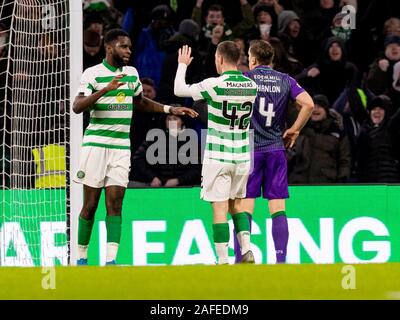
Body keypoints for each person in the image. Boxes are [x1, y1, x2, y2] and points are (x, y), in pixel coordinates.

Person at [72, 29, 197, 266]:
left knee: (116, 203)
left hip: (120, 147)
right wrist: (105, 89)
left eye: (129, 47)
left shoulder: (131, 74)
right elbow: (77, 106)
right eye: (123, 46)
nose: (129, 51)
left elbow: (140, 102)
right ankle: (81, 258)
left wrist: (170, 109)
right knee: (90, 205)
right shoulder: (93, 74)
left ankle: (110, 262)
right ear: (109, 48)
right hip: (95, 146)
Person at [174, 42, 258, 264]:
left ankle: (222, 261)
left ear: (220, 59)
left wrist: (182, 65)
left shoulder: (214, 85)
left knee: (219, 207)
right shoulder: (251, 86)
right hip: (242, 156)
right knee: (238, 205)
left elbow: (178, 90)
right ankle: (247, 250)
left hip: (218, 156)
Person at [232, 40, 314, 264]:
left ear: (253, 59)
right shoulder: (285, 80)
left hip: (250, 150)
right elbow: (309, 104)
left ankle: (241, 258)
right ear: (272, 60)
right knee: (277, 207)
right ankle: (281, 260)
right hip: (276, 148)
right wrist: (294, 130)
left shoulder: (245, 79)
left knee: (244, 206)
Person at [288, 94, 351, 184]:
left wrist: (341, 181)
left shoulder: (337, 132)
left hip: (325, 184)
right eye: (314, 106)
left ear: (326, 111)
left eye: (319, 106)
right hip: (298, 183)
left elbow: (344, 160)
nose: (315, 109)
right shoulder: (300, 129)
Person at [131, 114, 201, 188]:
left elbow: (197, 166)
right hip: (158, 184)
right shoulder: (155, 138)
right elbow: (137, 157)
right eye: (169, 119)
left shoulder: (189, 140)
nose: (171, 122)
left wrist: (178, 180)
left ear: (182, 121)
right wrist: (153, 177)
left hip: (185, 185)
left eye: (175, 119)